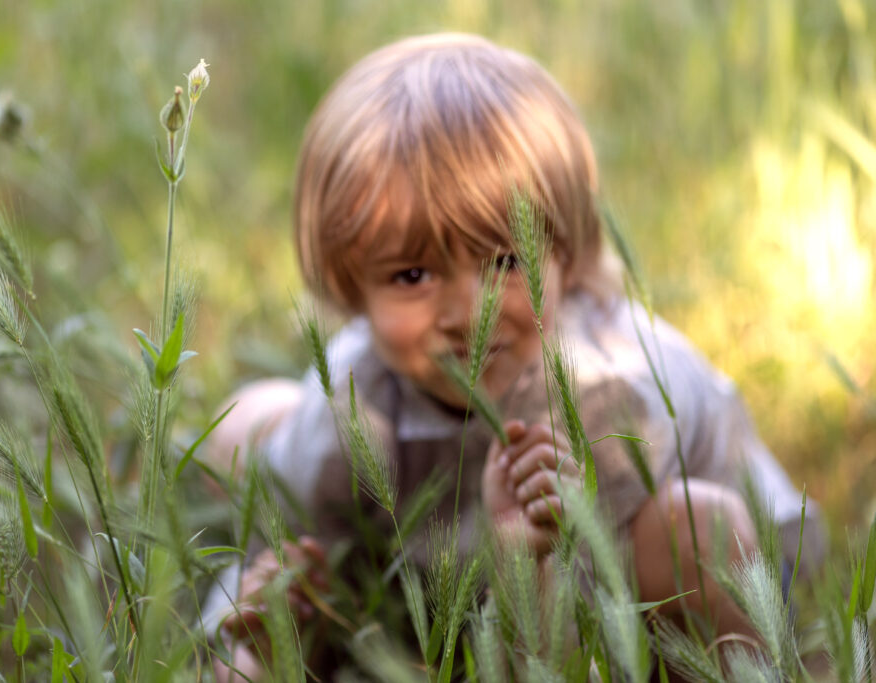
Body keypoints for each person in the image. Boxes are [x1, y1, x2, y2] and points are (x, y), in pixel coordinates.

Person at [206, 32, 824, 678]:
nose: (466, 312)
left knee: (690, 530)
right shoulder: (350, 402)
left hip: (674, 582)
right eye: (413, 275)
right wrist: (275, 616)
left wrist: (522, 561)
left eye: (504, 261)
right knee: (251, 429)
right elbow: (270, 551)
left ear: (566, 252)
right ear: (349, 284)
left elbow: (571, 655)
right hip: (441, 563)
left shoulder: (607, 403)